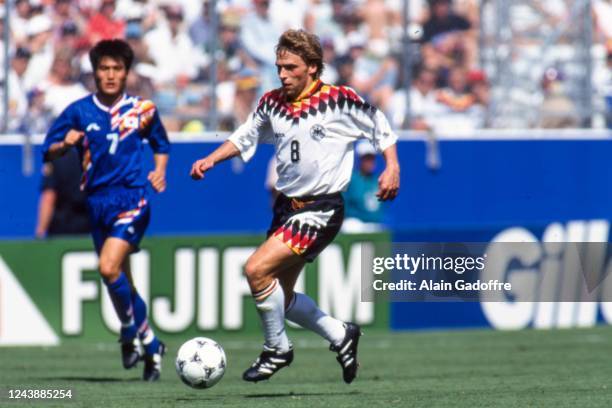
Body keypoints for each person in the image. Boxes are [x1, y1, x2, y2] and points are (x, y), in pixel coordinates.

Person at [190, 29, 400, 383]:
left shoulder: (339, 101)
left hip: (321, 209)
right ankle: (341, 335)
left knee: (256, 270)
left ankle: (277, 349)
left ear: (313, 68)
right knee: (280, 298)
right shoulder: (272, 102)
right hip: (287, 208)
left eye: (290, 67)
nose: (283, 74)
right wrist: (212, 158)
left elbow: (380, 126)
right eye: (279, 67)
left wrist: (392, 167)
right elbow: (245, 135)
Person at [41, 39, 170, 382]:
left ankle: (131, 332)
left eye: (117, 69)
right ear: (95, 72)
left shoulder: (142, 109)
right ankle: (149, 343)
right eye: (104, 69)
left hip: (132, 199)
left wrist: (159, 171)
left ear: (127, 72)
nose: (110, 75)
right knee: (117, 277)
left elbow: (160, 143)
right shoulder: (78, 111)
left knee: (108, 266)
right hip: (96, 203)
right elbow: (47, 151)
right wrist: (62, 145)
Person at [35, 148, 90, 239]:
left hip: (62, 229)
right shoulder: (95, 156)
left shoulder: (56, 157)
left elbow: (49, 197)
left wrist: (40, 231)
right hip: (90, 227)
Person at [341, 140, 385, 233]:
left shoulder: (378, 180)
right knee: (350, 226)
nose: (369, 162)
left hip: (373, 224)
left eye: (371, 158)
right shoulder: (351, 179)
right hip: (355, 222)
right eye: (366, 158)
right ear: (360, 160)